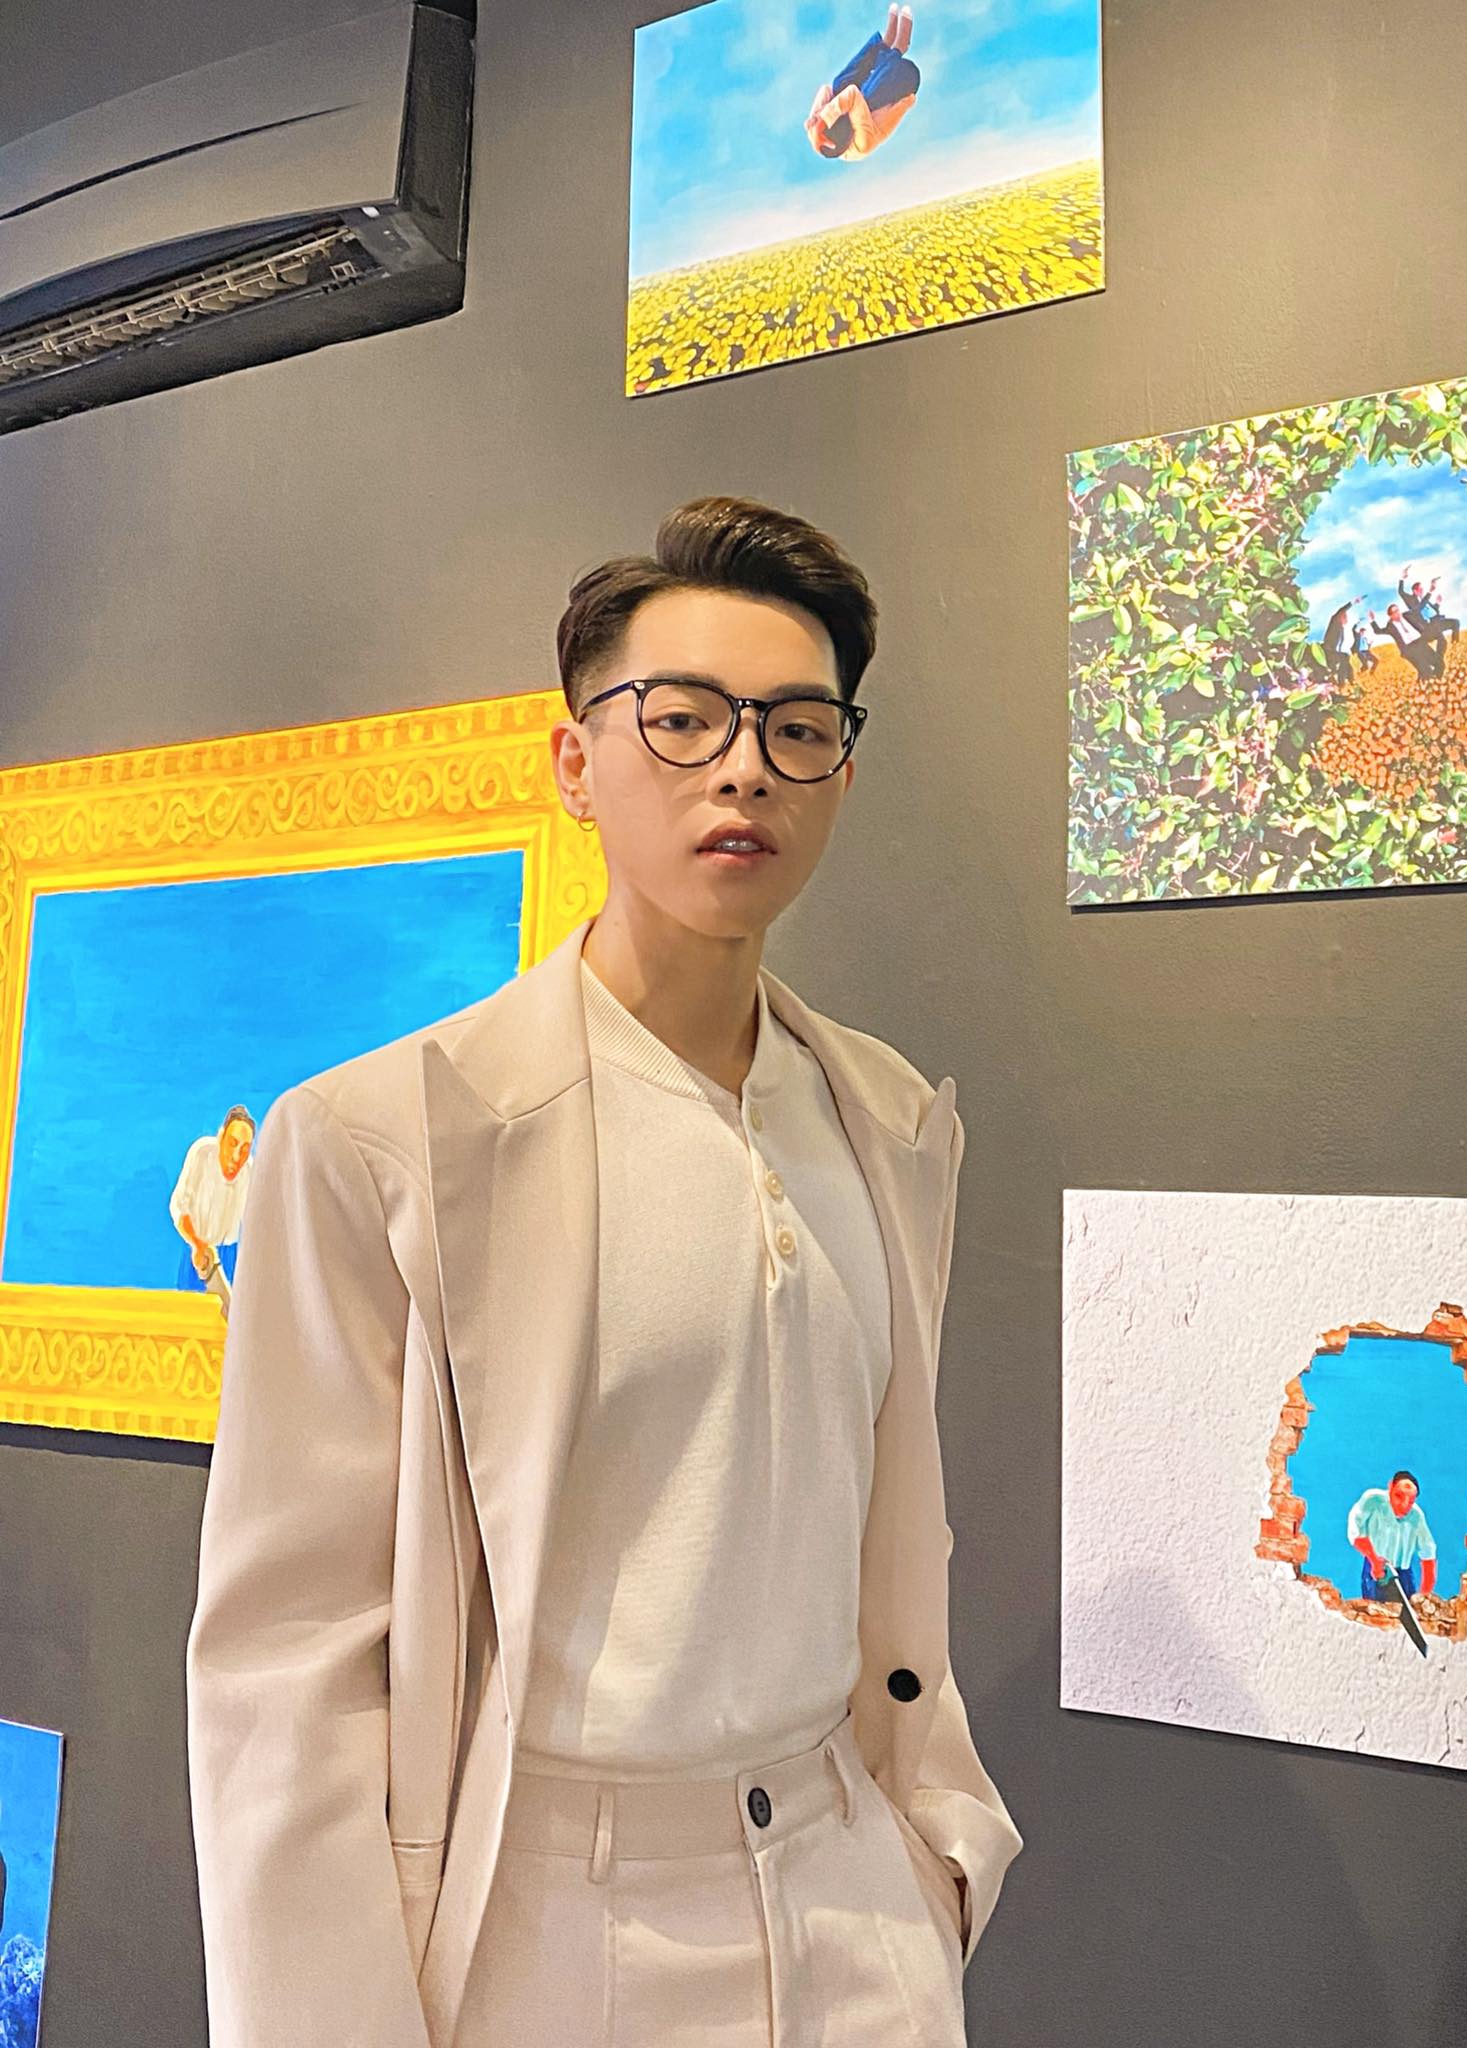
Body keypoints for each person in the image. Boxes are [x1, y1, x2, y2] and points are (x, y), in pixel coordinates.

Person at [186, 496, 1022, 2048]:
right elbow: (286, 1660)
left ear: (842, 773)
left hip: (852, 1888)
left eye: (797, 729)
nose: (744, 769)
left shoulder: (894, 1122)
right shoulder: (383, 1139)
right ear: (578, 764)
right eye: (684, 719)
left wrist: (931, 1857)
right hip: (557, 1912)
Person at [806, 4, 919, 160]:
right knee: (866, 99)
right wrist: (825, 119)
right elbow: (853, 94)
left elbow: (826, 90)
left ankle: (885, 44)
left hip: (884, 71)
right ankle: (900, 45)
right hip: (904, 80)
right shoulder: (862, 143)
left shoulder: (832, 135)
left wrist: (815, 119)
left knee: (838, 85)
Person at [168, 1106, 254, 1296]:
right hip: (197, 1252)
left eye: (245, 1149)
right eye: (232, 1143)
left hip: (230, 1257)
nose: (237, 1157)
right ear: (221, 1137)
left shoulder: (251, 1171)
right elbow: (180, 1206)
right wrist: (198, 1245)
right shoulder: (201, 1153)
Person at [1349, 1469, 1439, 1601]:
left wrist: (1425, 1595)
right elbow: (1356, 1532)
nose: (1404, 1506)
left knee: (1408, 1610)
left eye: (1410, 1501)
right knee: (1373, 1609)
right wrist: (1374, 1559)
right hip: (1374, 1568)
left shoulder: (1417, 1517)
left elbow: (1428, 1555)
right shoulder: (1372, 1500)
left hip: (1404, 1575)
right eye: (1399, 1496)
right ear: (1390, 1486)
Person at [1373, 602, 1444, 680]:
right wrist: (1372, 620)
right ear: (1391, 616)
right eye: (1395, 612)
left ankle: (1436, 680)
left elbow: (1418, 608)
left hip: (1420, 643)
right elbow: (1377, 631)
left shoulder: (1408, 615)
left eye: (1398, 610)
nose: (1398, 613)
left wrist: (1436, 603)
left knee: (1440, 663)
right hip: (1409, 649)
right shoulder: (1390, 627)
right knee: (1425, 671)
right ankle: (1431, 682)